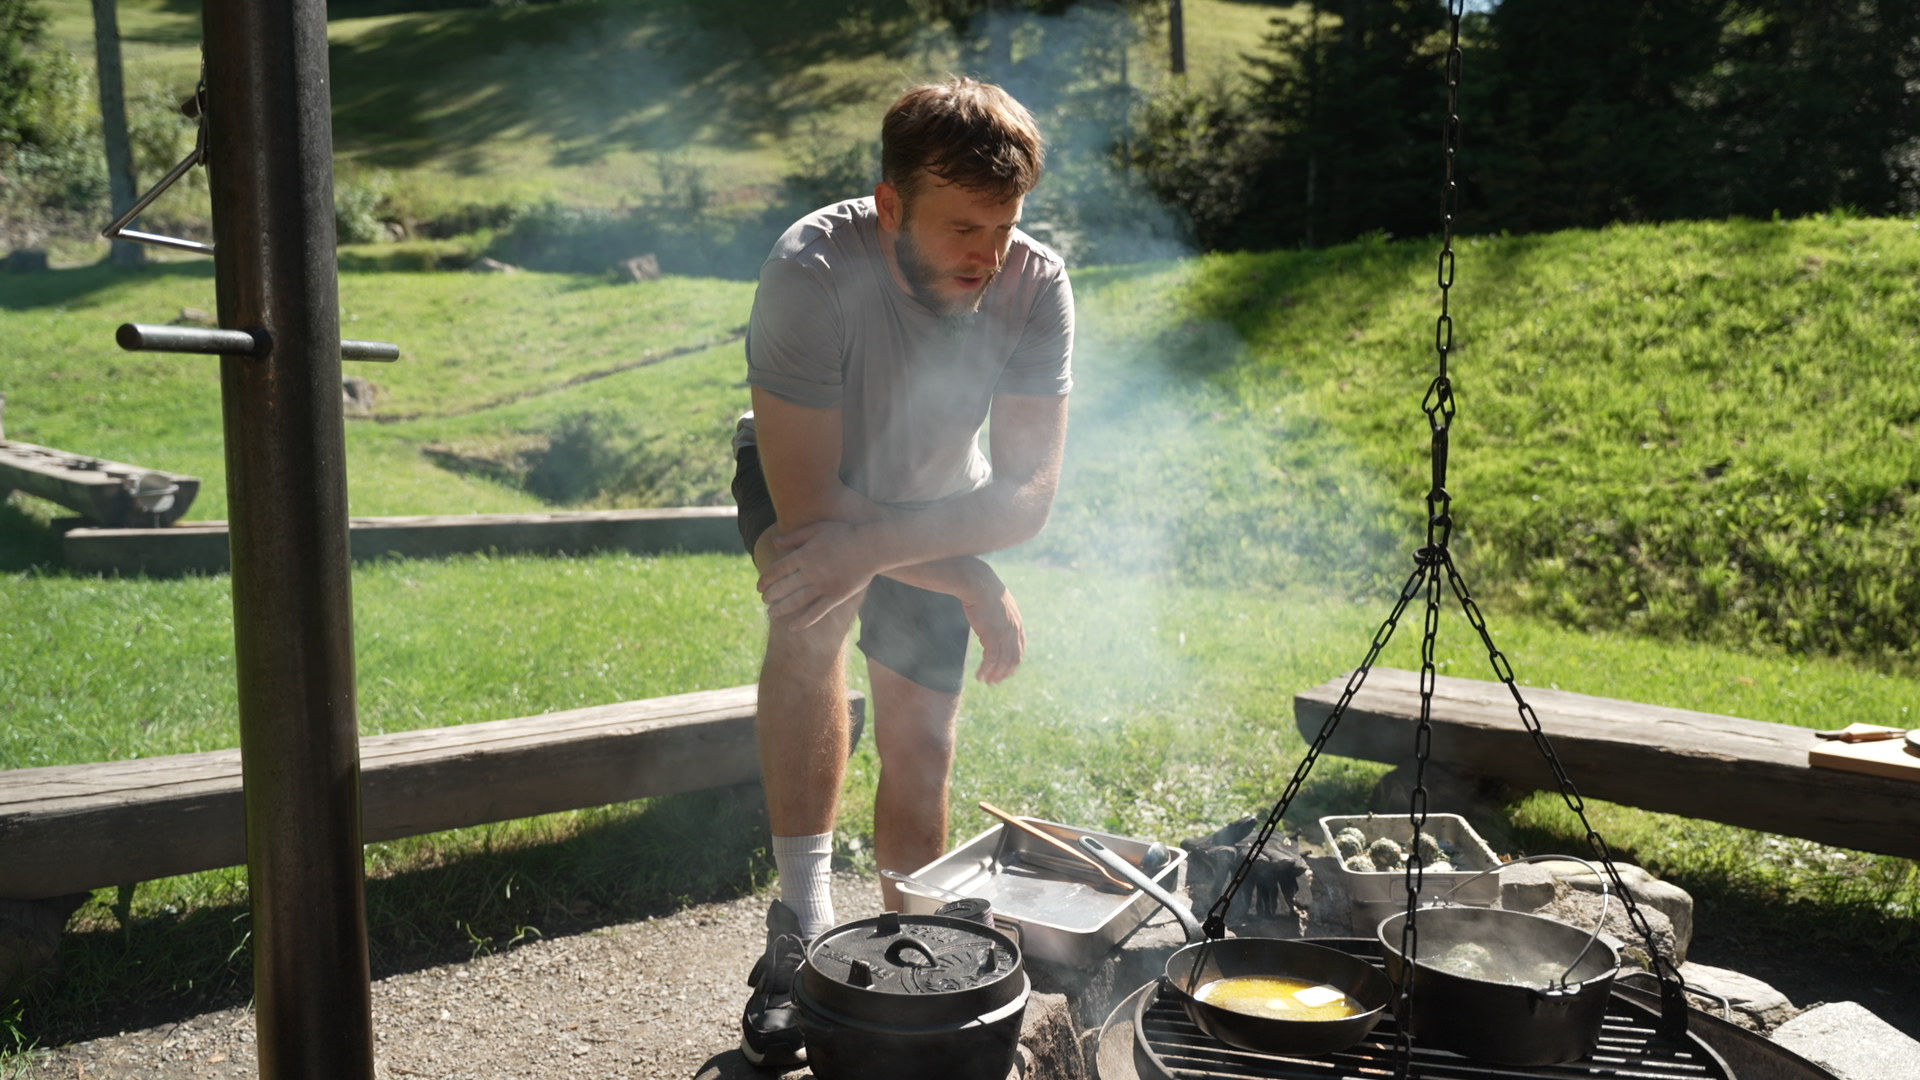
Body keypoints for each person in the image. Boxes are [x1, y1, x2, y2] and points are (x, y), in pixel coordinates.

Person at [730, 76, 1073, 1067]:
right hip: (811, 481)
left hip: (935, 501)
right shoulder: (810, 271)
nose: (989, 253)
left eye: (1005, 225)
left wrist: (959, 565)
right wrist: (968, 574)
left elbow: (1026, 498)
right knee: (810, 609)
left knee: (921, 738)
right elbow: (817, 522)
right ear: (890, 206)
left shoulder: (1033, 284)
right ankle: (798, 929)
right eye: (964, 227)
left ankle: (909, 958)